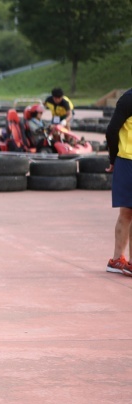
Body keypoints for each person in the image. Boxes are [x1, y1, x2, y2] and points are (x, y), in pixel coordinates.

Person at [105, 68, 132, 276]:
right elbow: (112, 130)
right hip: (128, 161)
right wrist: (113, 158)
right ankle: (118, 260)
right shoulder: (128, 100)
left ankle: (117, 260)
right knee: (127, 212)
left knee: (127, 213)